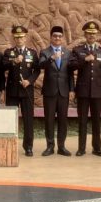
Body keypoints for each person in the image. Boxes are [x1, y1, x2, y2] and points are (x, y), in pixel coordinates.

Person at [68, 21, 101, 157]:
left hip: (97, 91)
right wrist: (85, 59)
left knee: (97, 121)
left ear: (96, 35)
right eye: (89, 33)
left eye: (94, 33)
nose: (91, 36)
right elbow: (72, 66)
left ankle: (97, 148)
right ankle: (81, 148)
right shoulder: (78, 50)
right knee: (82, 121)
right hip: (83, 91)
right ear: (85, 34)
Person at [3, 25, 39, 157]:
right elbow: (3, 66)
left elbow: (37, 70)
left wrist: (29, 81)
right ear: (14, 38)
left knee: (28, 120)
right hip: (12, 91)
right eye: (17, 37)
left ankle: (28, 146)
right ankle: (10, 145)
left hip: (27, 91)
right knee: (11, 120)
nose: (19, 39)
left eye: (22, 37)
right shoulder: (9, 52)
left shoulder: (32, 53)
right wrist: (14, 61)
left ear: (25, 37)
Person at [39, 26, 73, 156]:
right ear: (51, 37)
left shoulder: (68, 53)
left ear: (62, 38)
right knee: (49, 120)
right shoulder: (45, 52)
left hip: (63, 91)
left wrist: (72, 89)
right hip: (49, 91)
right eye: (55, 36)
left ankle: (61, 146)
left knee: (63, 120)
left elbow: (69, 73)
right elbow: (41, 65)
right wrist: (52, 57)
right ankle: (50, 146)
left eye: (59, 36)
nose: (57, 38)